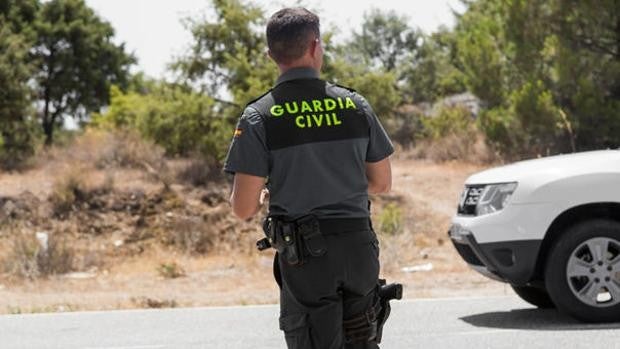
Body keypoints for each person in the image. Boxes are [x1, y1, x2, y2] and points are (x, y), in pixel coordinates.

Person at [224, 7, 395, 349]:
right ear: (316, 47)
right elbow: (381, 183)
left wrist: (264, 195)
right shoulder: (354, 105)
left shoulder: (259, 116)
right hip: (359, 248)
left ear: (271, 55)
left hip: (306, 257)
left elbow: (242, 208)